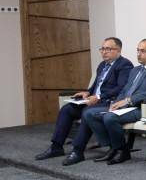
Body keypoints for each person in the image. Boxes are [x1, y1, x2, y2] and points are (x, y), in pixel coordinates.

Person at [35, 37, 133, 165]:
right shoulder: (102, 65)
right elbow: (97, 86)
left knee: (87, 112)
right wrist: (87, 92)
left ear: (118, 50)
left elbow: (121, 88)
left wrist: (99, 97)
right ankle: (56, 147)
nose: (104, 52)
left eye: (108, 49)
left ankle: (77, 151)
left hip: (109, 102)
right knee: (67, 109)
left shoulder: (124, 65)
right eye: (102, 49)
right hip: (94, 100)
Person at [84, 39, 146, 165]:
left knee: (109, 117)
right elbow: (124, 90)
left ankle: (122, 151)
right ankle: (112, 147)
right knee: (89, 114)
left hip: (142, 108)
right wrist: (116, 103)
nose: (138, 54)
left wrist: (128, 100)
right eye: (138, 51)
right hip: (126, 107)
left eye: (143, 51)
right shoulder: (135, 70)